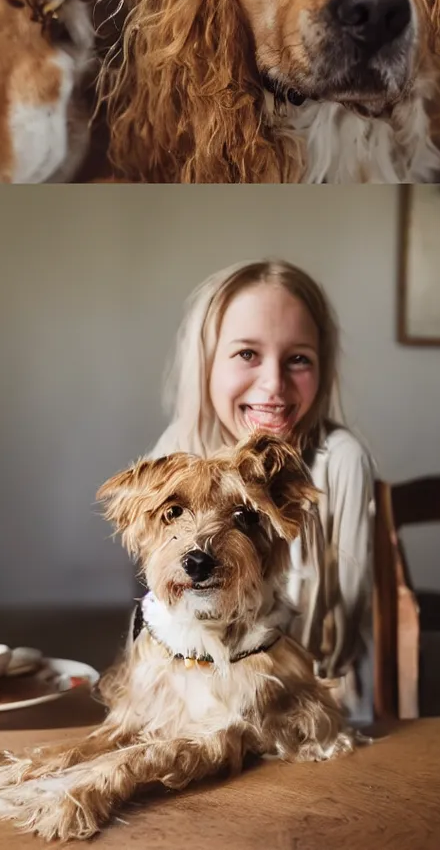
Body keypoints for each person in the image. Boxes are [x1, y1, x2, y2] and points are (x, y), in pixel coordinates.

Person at [149, 260, 377, 722]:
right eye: (247, 354)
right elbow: (163, 610)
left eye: (298, 359)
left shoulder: (342, 460)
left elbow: (342, 628)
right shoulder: (176, 448)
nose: (274, 385)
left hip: (308, 704)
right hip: (194, 704)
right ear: (207, 363)